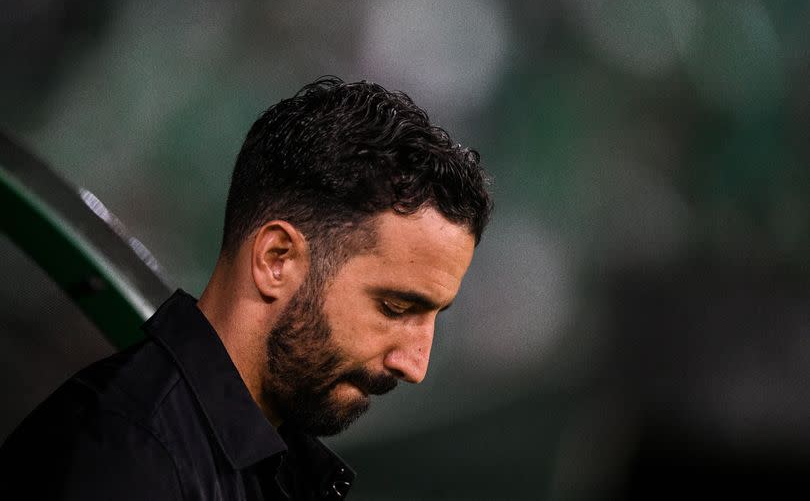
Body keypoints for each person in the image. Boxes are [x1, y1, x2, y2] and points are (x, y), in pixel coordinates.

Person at [0, 76, 492, 500]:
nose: (415, 365)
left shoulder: (261, 464)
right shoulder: (126, 461)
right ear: (276, 259)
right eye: (395, 306)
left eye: (434, 316)